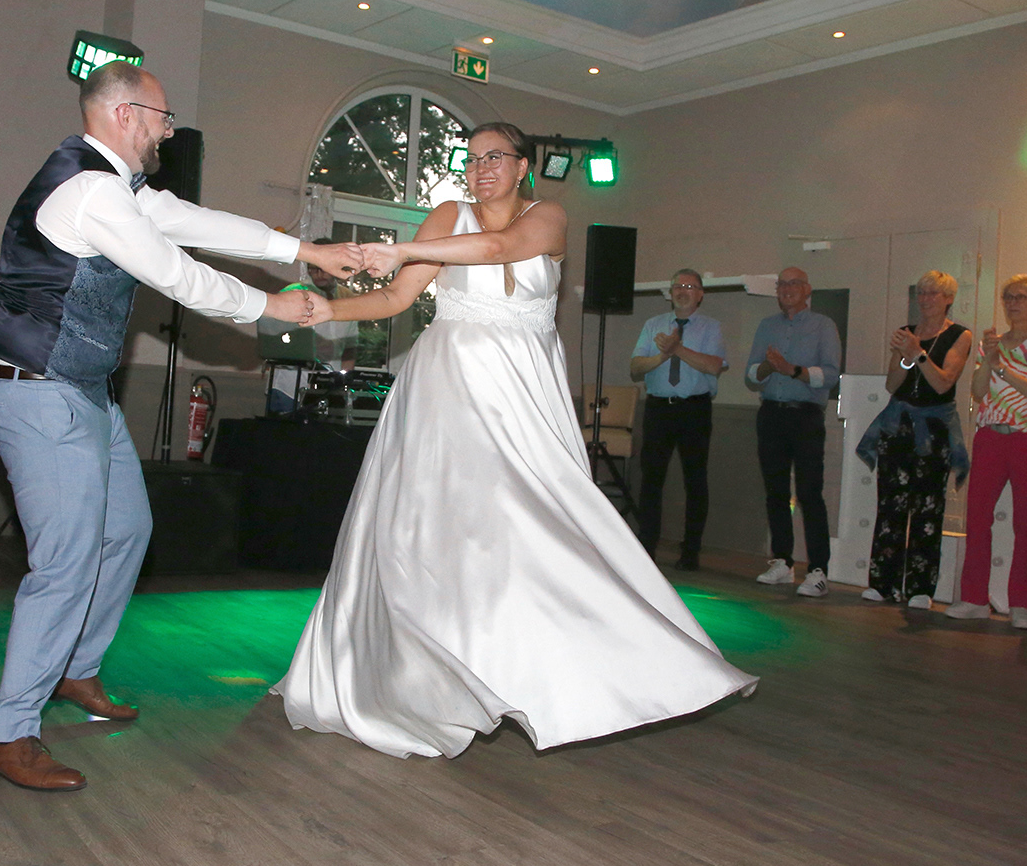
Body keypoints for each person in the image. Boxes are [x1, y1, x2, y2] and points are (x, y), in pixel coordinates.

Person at [272, 122, 757, 759]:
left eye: (495, 157)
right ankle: (425, 678)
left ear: (523, 165)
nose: (481, 168)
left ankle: (572, 662)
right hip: (448, 387)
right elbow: (396, 297)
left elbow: (501, 247)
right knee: (439, 529)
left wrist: (405, 249)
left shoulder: (547, 216)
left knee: (542, 524)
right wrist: (330, 309)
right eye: (471, 159)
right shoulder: (446, 216)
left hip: (523, 392)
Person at [0, 61, 361, 792]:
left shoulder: (118, 186)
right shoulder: (90, 190)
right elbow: (177, 273)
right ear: (125, 114)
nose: (168, 131)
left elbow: (196, 223)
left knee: (127, 529)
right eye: (162, 117)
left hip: (82, 389)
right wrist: (273, 307)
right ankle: (7, 732)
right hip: (37, 391)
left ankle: (75, 668)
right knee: (64, 565)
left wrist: (304, 251)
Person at [854, 271, 972, 609]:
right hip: (899, 425)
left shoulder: (960, 335)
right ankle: (883, 583)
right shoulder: (906, 333)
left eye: (934, 293)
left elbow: (943, 383)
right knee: (890, 504)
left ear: (948, 298)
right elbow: (892, 384)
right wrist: (906, 356)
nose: (926, 299)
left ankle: (920, 588)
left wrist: (919, 353)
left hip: (933, 428)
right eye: (922, 292)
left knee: (928, 507)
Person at [948, 275, 1027, 629]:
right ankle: (974, 598)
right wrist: (989, 359)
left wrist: (1001, 368)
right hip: (991, 435)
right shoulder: (992, 343)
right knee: (977, 517)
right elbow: (978, 392)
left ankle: (1020, 604)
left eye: (1021, 297)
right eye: (1008, 297)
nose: (1013, 303)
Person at [744, 267, 841, 597]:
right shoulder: (766, 326)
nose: (786, 289)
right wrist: (767, 368)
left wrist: (792, 370)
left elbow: (831, 375)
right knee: (775, 492)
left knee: (810, 493)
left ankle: (818, 570)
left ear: (807, 289)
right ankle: (782, 562)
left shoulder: (823, 326)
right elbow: (751, 375)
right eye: (782, 284)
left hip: (806, 416)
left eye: (794, 283)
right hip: (771, 413)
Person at [629, 268, 727, 571]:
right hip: (658, 409)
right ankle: (647, 548)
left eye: (690, 286)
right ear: (670, 292)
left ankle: (690, 551)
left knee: (695, 480)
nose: (683, 291)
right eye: (677, 286)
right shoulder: (653, 324)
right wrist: (662, 356)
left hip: (694, 410)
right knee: (651, 480)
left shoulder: (711, 327)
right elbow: (635, 368)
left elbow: (713, 366)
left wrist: (677, 349)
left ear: (700, 294)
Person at [305, 237, 357, 372]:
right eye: (314, 268)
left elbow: (350, 345)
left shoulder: (348, 298)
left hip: (332, 373)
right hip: (293, 375)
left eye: (324, 268)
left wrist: (345, 376)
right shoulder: (296, 293)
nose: (319, 274)